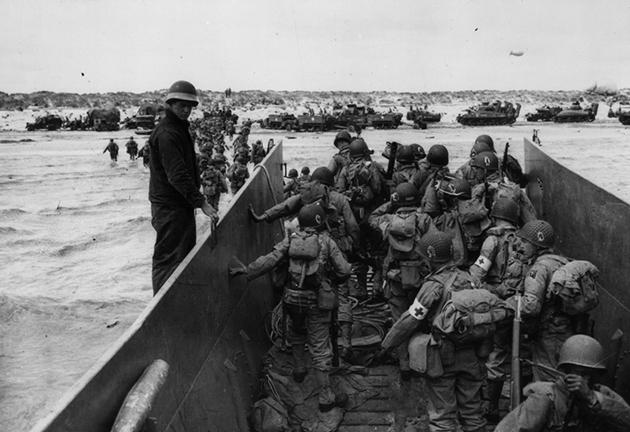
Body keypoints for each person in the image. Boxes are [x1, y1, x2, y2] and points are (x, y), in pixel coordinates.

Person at [229, 203, 352, 412]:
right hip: (317, 302)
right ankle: (325, 396)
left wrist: (246, 271)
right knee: (321, 346)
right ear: (320, 221)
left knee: (296, 331)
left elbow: (270, 259)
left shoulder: (291, 240)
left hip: (292, 299)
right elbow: (345, 270)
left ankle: (299, 369)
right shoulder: (327, 242)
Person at [401, 231, 488, 432]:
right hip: (472, 353)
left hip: (443, 357)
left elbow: (412, 319)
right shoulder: (470, 278)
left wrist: (387, 344)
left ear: (430, 258)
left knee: (442, 416)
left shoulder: (433, 285)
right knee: (473, 412)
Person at [148, 80, 218, 294]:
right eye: (181, 106)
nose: (187, 110)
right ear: (170, 104)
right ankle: (161, 309)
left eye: (190, 106)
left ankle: (174, 300)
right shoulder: (168, 133)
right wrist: (202, 203)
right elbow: (177, 175)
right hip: (170, 207)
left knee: (181, 256)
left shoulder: (177, 128)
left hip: (178, 205)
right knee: (169, 259)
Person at [368, 182, 436, 379]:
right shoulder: (424, 219)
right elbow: (433, 243)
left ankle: (404, 365)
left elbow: (371, 218)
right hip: (419, 279)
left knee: (399, 321)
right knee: (421, 319)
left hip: (395, 278)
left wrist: (390, 203)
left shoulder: (388, 219)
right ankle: (422, 362)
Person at [495, 335, 630, 432]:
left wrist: (591, 399)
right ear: (564, 371)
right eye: (577, 373)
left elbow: (627, 421)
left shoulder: (601, 394)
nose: (582, 380)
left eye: (588, 374)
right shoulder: (545, 397)